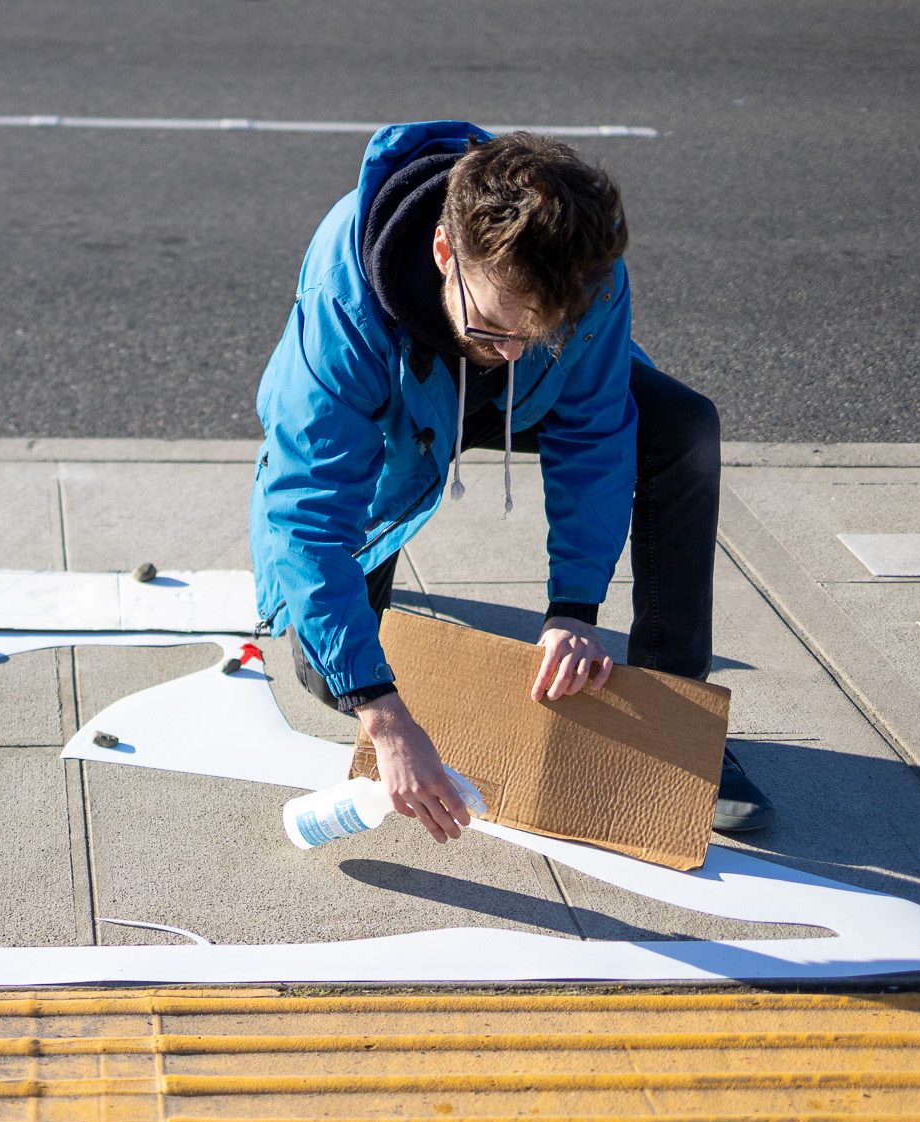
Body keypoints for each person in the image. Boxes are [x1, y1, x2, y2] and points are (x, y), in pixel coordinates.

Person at [248, 120, 773, 844]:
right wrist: (384, 714)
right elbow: (307, 514)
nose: (515, 351)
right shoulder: (347, 301)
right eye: (498, 331)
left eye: (541, 333)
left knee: (683, 429)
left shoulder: (585, 272)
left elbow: (593, 434)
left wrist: (574, 609)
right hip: (400, 409)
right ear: (443, 253)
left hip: (528, 407)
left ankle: (681, 724)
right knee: (330, 673)